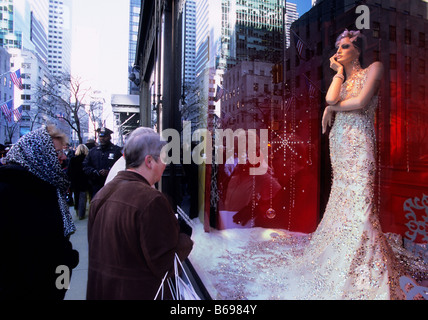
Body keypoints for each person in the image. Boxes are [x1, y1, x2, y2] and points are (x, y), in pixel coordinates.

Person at [86, 127, 193, 300]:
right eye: (163, 159)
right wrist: (184, 235)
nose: (165, 165)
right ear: (149, 161)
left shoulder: (102, 194)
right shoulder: (151, 200)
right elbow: (166, 265)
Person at [0, 125, 79, 300]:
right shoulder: (7, 192)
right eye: (57, 153)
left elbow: (62, 247)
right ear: (37, 154)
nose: (63, 158)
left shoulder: (51, 189)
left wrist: (62, 285)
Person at [83, 127, 122, 197]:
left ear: (109, 137)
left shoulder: (117, 151)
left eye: (105, 136)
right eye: (100, 136)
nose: (102, 139)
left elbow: (123, 167)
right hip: (96, 187)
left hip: (112, 186)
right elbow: (85, 166)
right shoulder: (93, 151)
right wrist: (95, 172)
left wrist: (110, 172)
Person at [68, 144, 90, 220]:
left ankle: (77, 210)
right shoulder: (87, 159)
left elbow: (69, 172)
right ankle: (81, 213)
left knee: (76, 196)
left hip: (75, 181)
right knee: (83, 197)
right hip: (84, 181)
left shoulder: (73, 159)